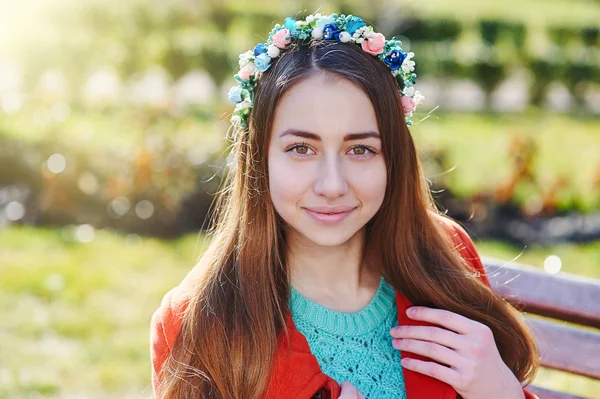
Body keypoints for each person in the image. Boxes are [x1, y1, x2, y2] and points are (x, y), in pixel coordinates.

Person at [150, 12, 541, 399]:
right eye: (301, 149)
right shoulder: (199, 322)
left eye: (361, 149)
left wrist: (500, 391)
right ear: (259, 157)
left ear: (393, 159)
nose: (332, 185)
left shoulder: (441, 256)